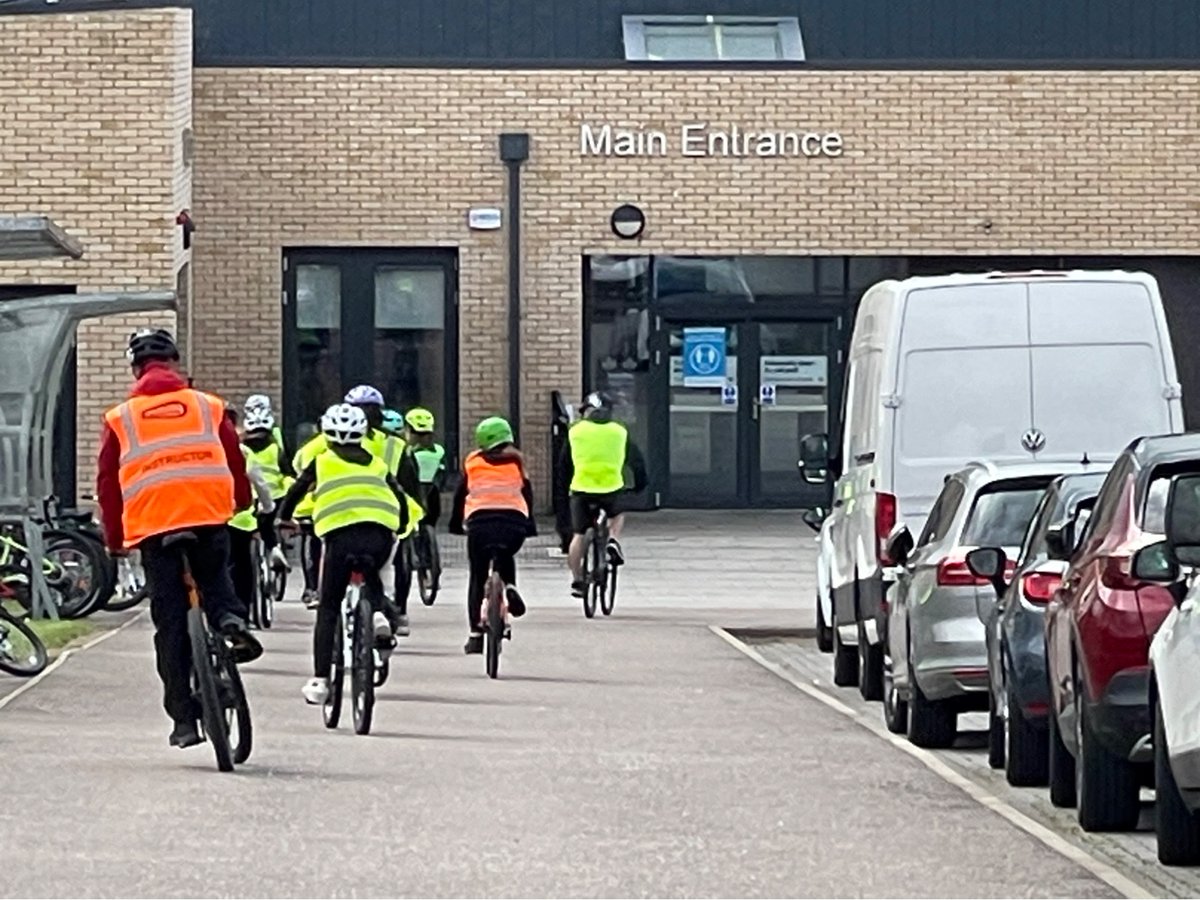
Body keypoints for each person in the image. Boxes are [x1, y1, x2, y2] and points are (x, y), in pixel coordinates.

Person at [97, 328, 262, 750]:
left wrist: (115, 539)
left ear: (135, 369)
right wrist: (239, 502)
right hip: (206, 513)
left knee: (169, 624)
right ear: (174, 363)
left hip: (154, 525)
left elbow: (108, 485)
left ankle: (184, 722)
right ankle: (230, 618)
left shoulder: (121, 418)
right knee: (215, 578)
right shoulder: (208, 406)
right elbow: (232, 457)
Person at [276, 403, 408, 705]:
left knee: (329, 607)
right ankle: (377, 615)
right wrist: (398, 526)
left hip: (340, 536)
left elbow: (297, 491)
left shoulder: (322, 461)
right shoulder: (376, 462)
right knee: (372, 574)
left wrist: (284, 518)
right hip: (380, 533)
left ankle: (321, 681)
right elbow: (398, 494)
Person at [448, 417, 535, 655]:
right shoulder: (517, 462)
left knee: (478, 575)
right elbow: (527, 493)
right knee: (505, 553)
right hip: (513, 524)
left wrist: (455, 524)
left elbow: (459, 495)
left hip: (479, 524)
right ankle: (510, 586)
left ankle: (475, 635)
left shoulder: (473, 462)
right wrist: (530, 525)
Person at [344, 385, 423, 636]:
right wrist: (416, 515)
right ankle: (397, 611)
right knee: (397, 564)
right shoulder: (395, 445)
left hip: (343, 514)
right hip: (388, 515)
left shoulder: (334, 441)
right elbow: (411, 485)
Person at [561, 391, 648, 598]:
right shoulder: (619, 432)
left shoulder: (575, 431)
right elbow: (636, 462)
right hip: (611, 487)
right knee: (617, 514)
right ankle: (613, 541)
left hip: (581, 488)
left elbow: (564, 465)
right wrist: (640, 485)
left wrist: (565, 489)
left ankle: (577, 580)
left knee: (579, 535)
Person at [226, 405, 278, 614]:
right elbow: (260, 483)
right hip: (240, 520)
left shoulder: (198, 449)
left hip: (206, 518)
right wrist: (268, 507)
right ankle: (242, 612)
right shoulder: (243, 451)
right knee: (241, 567)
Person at [242, 404, 294, 571]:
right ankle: (275, 549)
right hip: (275, 496)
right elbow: (287, 474)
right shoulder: (275, 449)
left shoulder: (242, 450)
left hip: (249, 498)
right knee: (271, 524)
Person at [290, 422, 327, 610]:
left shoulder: (310, 447)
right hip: (338, 509)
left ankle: (311, 587)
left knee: (311, 542)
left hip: (310, 505)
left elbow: (298, 469)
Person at [403, 407, 447, 530]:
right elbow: (443, 474)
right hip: (432, 493)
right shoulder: (439, 451)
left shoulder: (405, 451)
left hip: (416, 494)